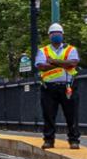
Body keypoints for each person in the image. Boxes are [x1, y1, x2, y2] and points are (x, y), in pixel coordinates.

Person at [35, 21, 81, 150]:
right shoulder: (43, 51)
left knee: (71, 114)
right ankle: (49, 140)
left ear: (62, 35)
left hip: (68, 86)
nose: (56, 35)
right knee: (48, 115)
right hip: (48, 88)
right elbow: (41, 66)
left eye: (58, 33)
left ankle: (74, 140)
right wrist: (63, 63)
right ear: (49, 36)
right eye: (54, 33)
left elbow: (73, 64)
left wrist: (53, 61)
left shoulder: (71, 49)